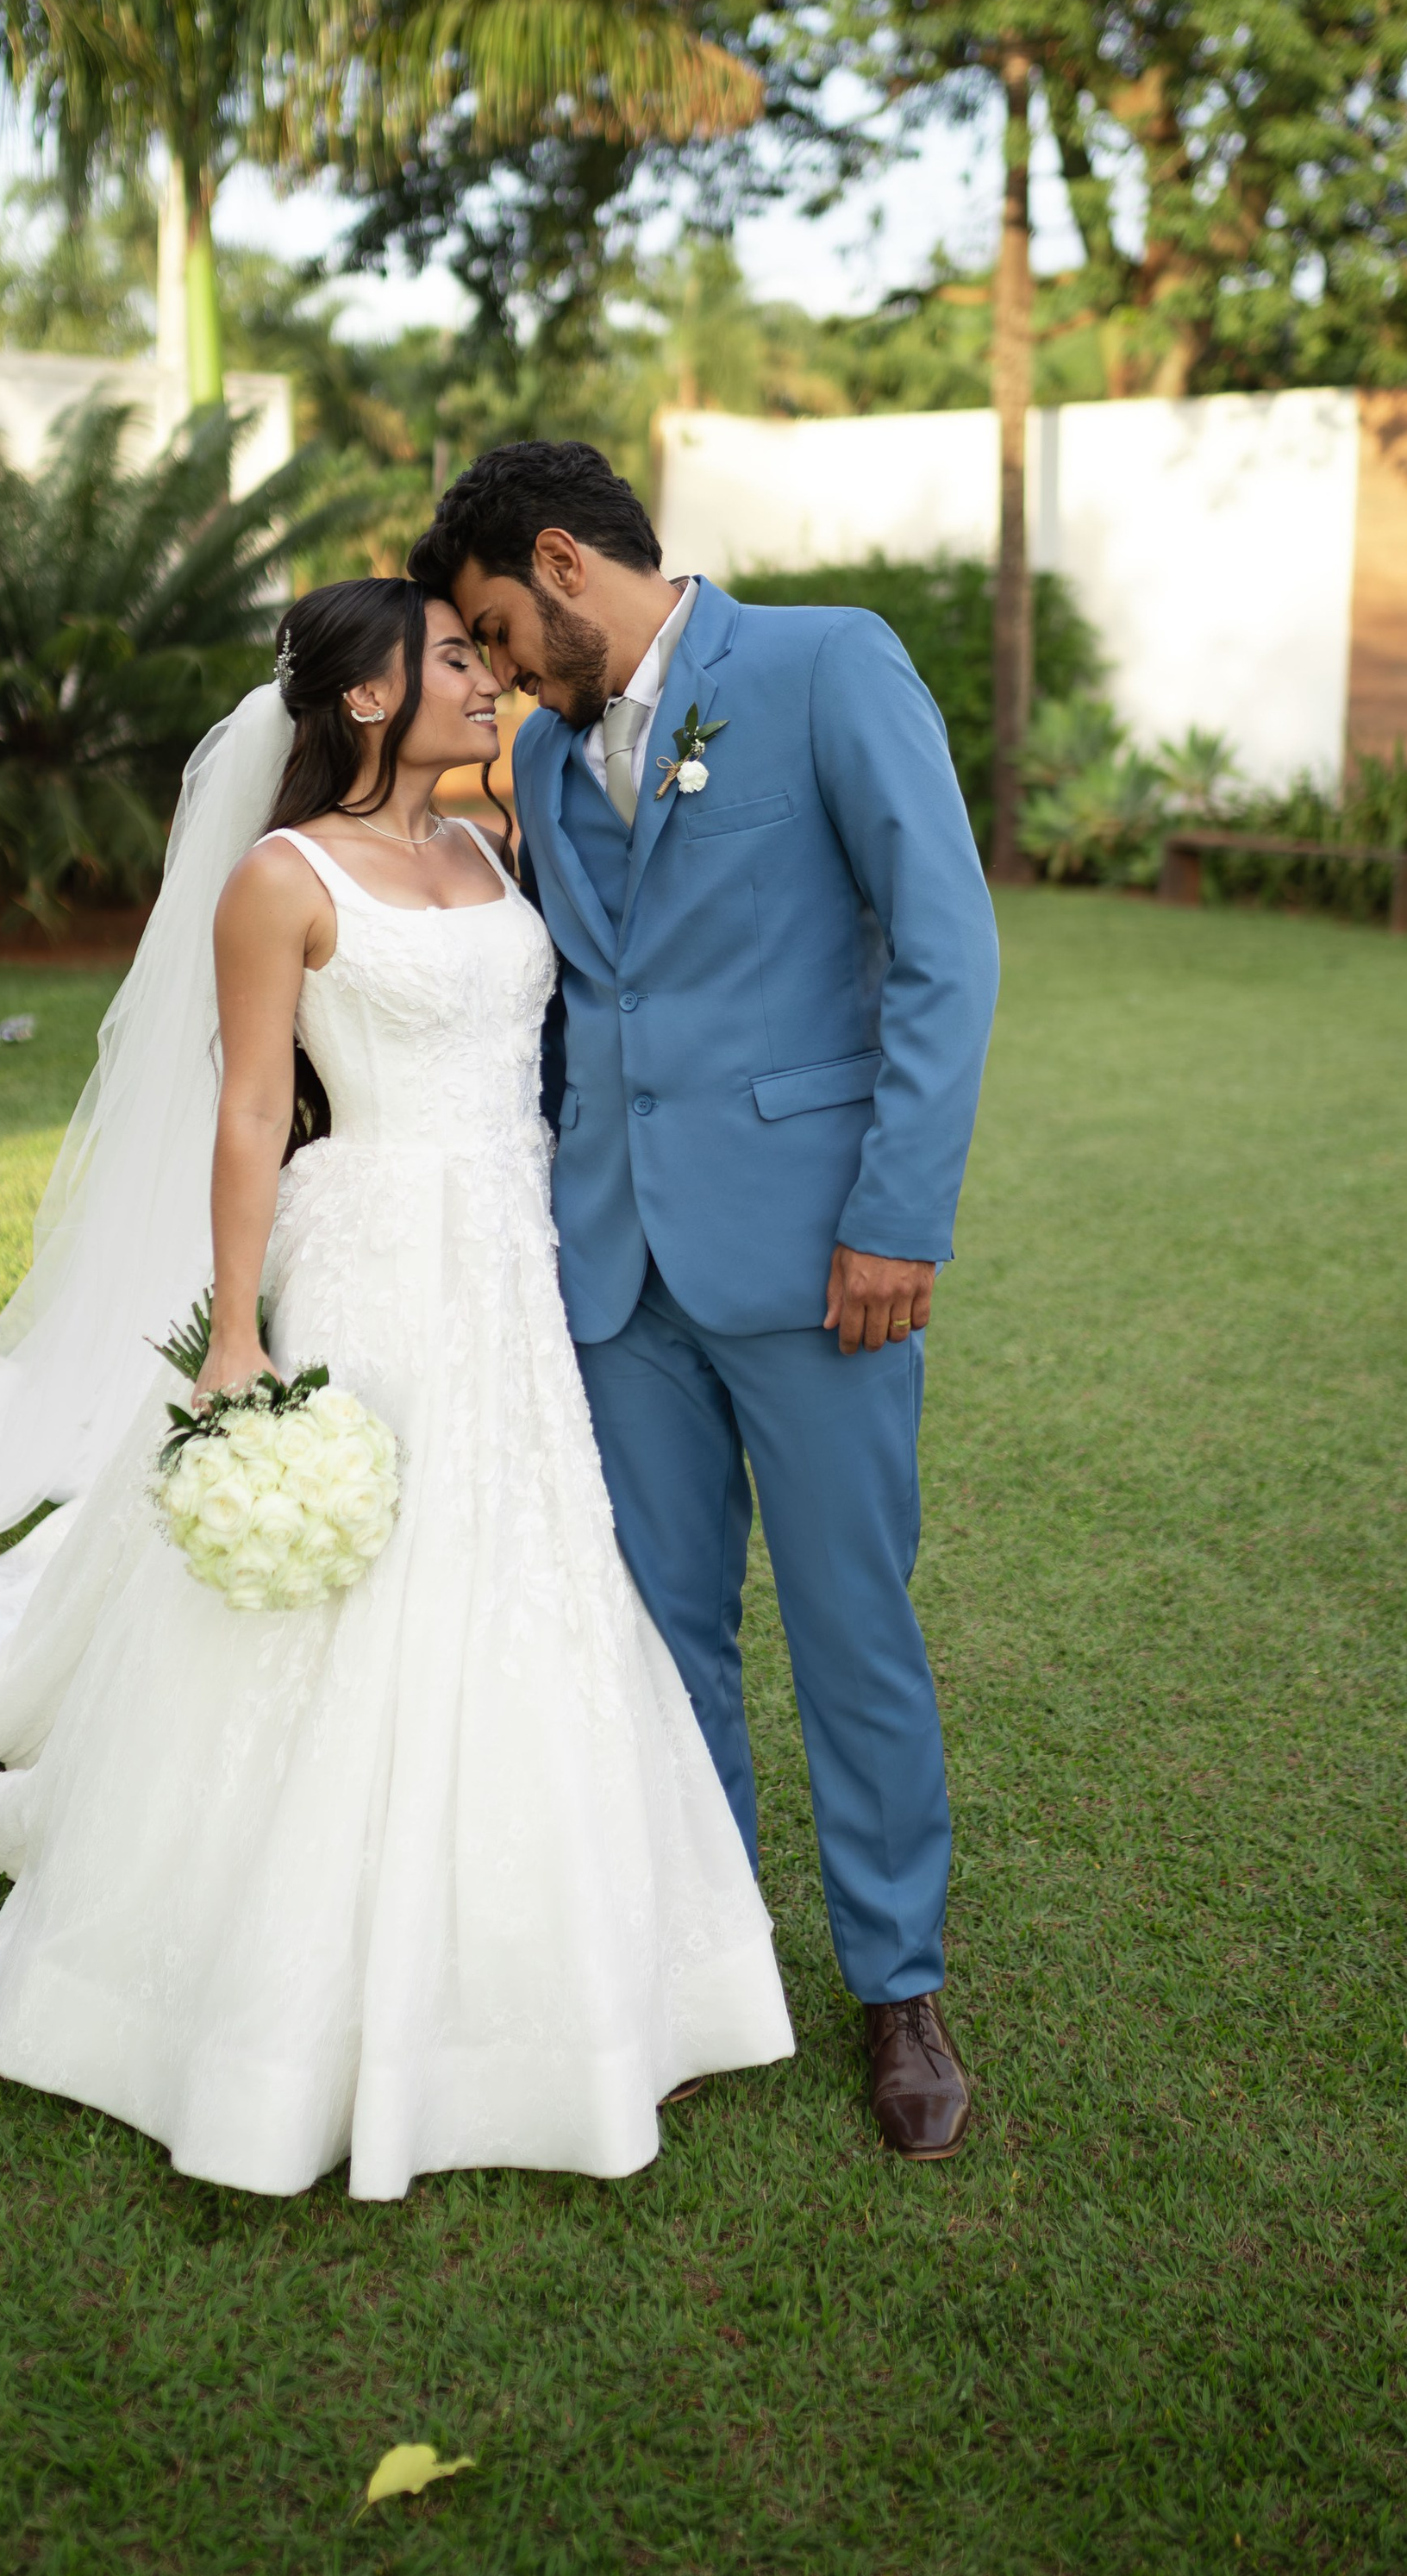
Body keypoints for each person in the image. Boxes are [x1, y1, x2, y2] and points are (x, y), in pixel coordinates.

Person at [0, 579, 792, 2201]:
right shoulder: (278, 879)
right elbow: (254, 1111)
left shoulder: (487, 843)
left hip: (518, 1254)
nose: (493, 678)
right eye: (460, 659)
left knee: (524, 1562)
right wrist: (242, 1333)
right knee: (361, 1579)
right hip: (378, 1252)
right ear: (374, 697)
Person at [409, 444, 999, 2160]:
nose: (499, 670)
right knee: (660, 1637)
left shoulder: (825, 666)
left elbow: (942, 945)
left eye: (499, 630)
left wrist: (895, 1213)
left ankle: (896, 1986)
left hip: (820, 1260)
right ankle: (702, 1957)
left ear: (561, 564)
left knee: (847, 1626)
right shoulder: (528, 746)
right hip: (609, 1271)